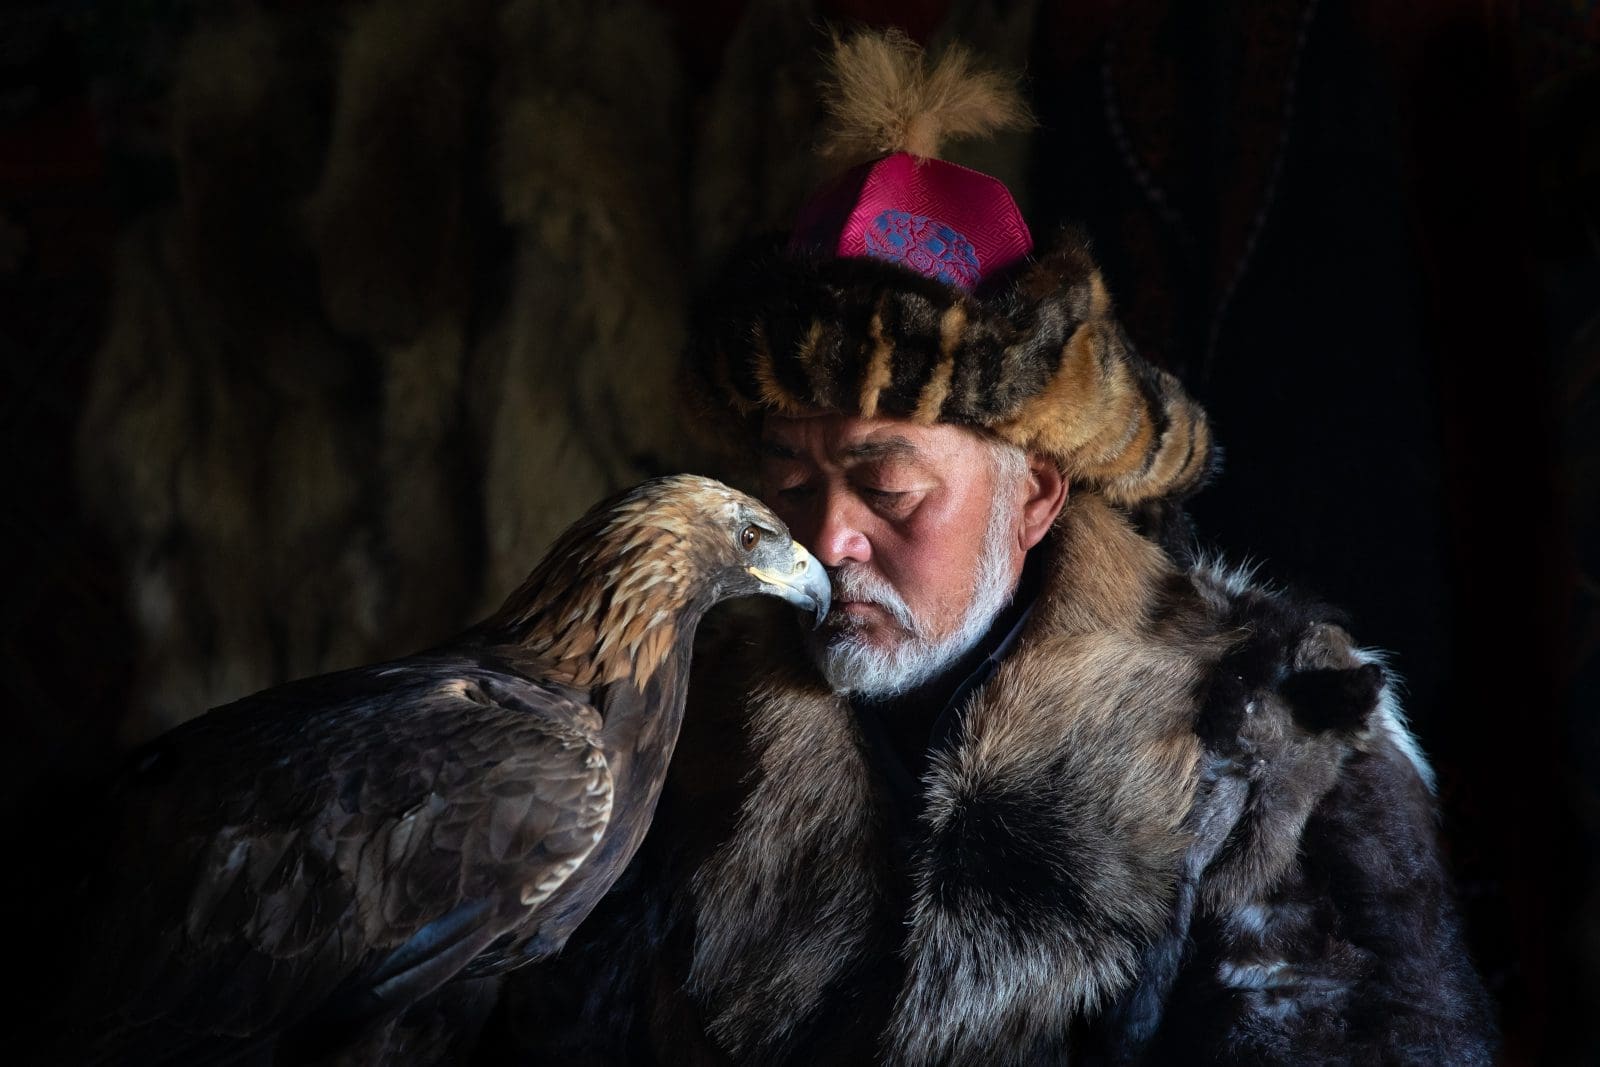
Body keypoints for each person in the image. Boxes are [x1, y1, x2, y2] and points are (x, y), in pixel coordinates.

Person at [479, 30, 1496, 1066]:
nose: (827, 537)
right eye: (787, 479)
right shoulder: (669, 739)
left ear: (1037, 492)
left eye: (888, 486)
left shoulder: (1266, 729)